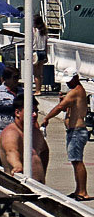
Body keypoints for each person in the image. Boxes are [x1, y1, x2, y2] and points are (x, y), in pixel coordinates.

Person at [40, 70, 90, 200]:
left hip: (77, 132)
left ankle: (83, 191)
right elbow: (67, 108)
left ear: (76, 78)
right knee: (75, 161)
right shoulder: (76, 92)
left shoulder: (76, 91)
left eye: (70, 80)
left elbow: (59, 107)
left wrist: (47, 118)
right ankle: (78, 189)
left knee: (77, 161)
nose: (68, 83)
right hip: (74, 131)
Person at [0, 93, 49, 183]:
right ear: (17, 113)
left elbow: (44, 151)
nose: (34, 115)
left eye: (36, 111)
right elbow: (11, 152)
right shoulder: (11, 133)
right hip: (19, 189)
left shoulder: (35, 132)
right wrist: (17, 165)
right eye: (30, 111)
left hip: (38, 188)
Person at [32, 15, 49, 94]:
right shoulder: (44, 31)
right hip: (42, 52)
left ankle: (37, 90)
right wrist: (46, 54)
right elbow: (46, 43)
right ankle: (39, 89)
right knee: (40, 73)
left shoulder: (34, 30)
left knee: (36, 73)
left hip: (36, 52)